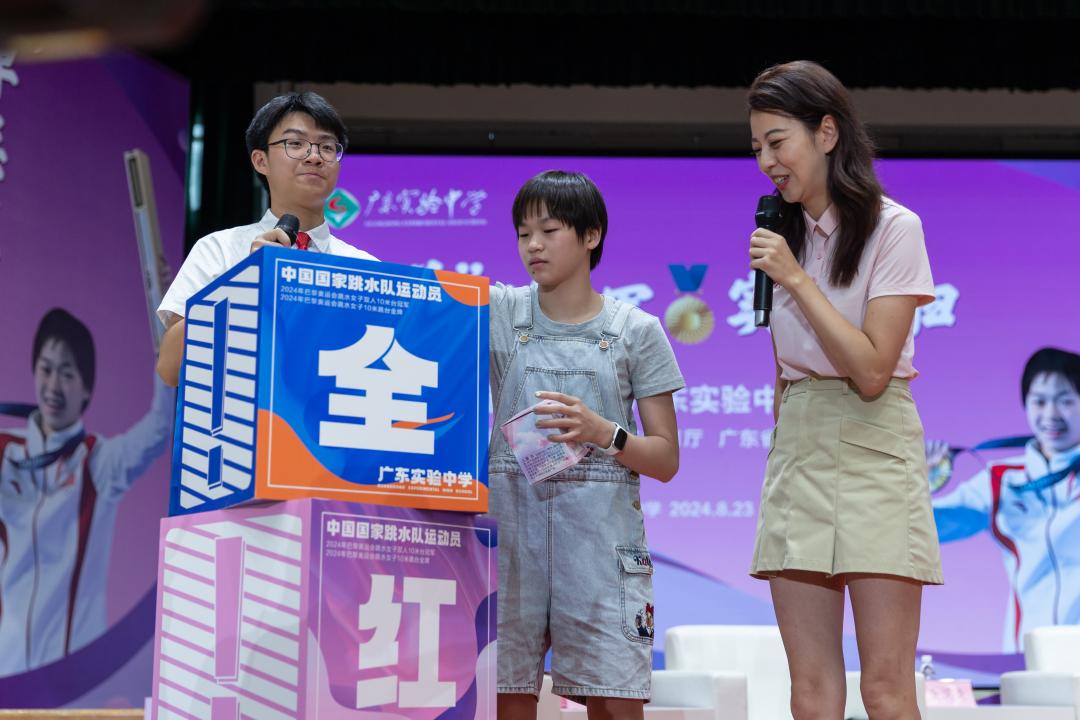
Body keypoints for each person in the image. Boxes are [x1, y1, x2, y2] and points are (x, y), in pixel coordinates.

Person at [746, 61, 941, 720]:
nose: (767, 162)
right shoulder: (782, 235)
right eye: (757, 148)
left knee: (885, 690)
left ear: (826, 133)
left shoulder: (895, 228)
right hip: (800, 447)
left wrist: (797, 279)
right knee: (811, 693)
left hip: (873, 441)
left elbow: (873, 368)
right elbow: (784, 366)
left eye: (778, 142)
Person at [488, 171, 683, 720]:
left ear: (591, 235)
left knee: (615, 699)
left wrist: (605, 433)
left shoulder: (636, 331)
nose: (533, 245)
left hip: (601, 545)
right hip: (511, 537)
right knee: (504, 691)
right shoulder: (500, 313)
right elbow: (406, 293)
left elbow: (666, 459)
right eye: (523, 233)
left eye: (549, 231)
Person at [157, 91, 377, 386]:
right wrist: (245, 283)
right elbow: (170, 368)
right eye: (295, 144)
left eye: (327, 147)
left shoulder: (366, 267)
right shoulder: (219, 250)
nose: (314, 157)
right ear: (261, 161)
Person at [0, 308, 174, 675]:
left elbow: (160, 428)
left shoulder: (100, 463)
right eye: (46, 369)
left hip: (76, 678)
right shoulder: (5, 453)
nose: (54, 386)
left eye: (68, 373)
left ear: (87, 388)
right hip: (8, 672)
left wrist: (167, 335)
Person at [929, 347, 1080, 652]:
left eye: (1065, 401)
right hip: (1027, 655)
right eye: (1039, 401)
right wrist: (918, 484)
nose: (1051, 414)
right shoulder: (1001, 479)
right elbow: (923, 530)